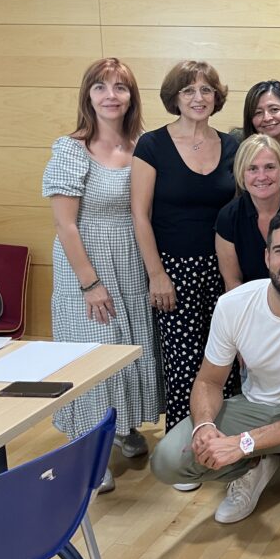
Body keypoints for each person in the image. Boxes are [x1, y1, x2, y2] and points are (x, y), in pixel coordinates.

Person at [150, 209, 280, 528]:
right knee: (168, 460)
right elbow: (209, 382)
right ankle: (253, 467)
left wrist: (243, 442)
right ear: (267, 257)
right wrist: (205, 426)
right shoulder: (234, 304)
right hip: (254, 406)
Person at [43, 58, 162, 493]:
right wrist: (89, 283)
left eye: (120, 87)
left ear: (132, 97)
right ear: (87, 95)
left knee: (130, 349)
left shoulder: (141, 146)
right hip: (87, 263)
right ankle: (88, 448)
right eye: (100, 87)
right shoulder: (71, 148)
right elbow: (65, 224)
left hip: (130, 260)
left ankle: (124, 426)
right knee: (91, 354)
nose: (111, 95)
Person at [131, 60, 241, 464]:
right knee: (182, 363)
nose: (198, 98)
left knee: (224, 357)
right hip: (173, 269)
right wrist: (157, 274)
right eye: (189, 90)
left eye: (206, 90)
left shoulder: (231, 145)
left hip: (222, 266)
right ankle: (183, 452)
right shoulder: (152, 145)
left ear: (217, 97)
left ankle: (224, 446)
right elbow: (139, 215)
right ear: (175, 97)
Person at [215, 134, 280, 290]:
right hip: (250, 306)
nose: (262, 177)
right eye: (252, 169)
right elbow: (233, 284)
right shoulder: (229, 217)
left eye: (269, 167)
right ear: (241, 173)